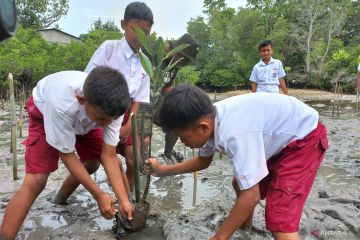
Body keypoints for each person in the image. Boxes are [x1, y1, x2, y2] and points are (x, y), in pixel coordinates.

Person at [145, 85, 328, 240]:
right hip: (280, 139)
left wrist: (218, 237)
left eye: (182, 137)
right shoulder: (210, 119)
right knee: (238, 183)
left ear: (203, 128)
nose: (182, 142)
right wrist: (162, 170)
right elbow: (202, 162)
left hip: (304, 140)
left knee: (279, 217)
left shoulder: (234, 134)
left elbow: (252, 195)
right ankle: (245, 229)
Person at [0, 66, 134, 240]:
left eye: (112, 120)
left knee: (101, 162)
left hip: (88, 118)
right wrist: (99, 194)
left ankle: (59, 199)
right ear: (81, 99)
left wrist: (123, 200)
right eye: (103, 120)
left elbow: (108, 155)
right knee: (37, 180)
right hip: (45, 113)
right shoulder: (61, 105)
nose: (107, 124)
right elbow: (67, 154)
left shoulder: (111, 110)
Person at [53, 2, 153, 201]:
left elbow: (139, 100)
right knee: (92, 163)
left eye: (146, 33)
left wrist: (128, 126)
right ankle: (60, 199)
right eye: (136, 30)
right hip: (100, 108)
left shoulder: (145, 62)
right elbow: (90, 82)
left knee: (135, 160)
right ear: (124, 25)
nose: (140, 37)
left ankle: (127, 202)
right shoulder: (109, 49)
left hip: (126, 114)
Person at [138, 33, 200, 162]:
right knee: (144, 137)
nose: (184, 64)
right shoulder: (153, 52)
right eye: (185, 59)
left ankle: (167, 155)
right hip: (138, 100)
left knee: (177, 119)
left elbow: (167, 86)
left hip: (156, 99)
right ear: (177, 51)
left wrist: (180, 103)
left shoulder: (175, 64)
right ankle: (141, 165)